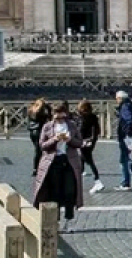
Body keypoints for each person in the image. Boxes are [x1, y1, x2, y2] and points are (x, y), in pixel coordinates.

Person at [32, 101, 84, 229]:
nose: (60, 119)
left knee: (70, 191)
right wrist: (54, 139)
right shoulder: (47, 127)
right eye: (57, 116)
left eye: (62, 116)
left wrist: (69, 140)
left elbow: (79, 142)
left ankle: (69, 219)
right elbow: (42, 145)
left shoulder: (71, 126)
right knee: (54, 192)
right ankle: (56, 221)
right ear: (53, 115)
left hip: (69, 161)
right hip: (53, 162)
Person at [114, 91, 132, 191]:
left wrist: (127, 133)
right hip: (129, 135)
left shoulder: (125, 107)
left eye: (116, 98)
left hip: (125, 136)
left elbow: (129, 119)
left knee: (123, 159)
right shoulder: (130, 105)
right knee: (125, 158)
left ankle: (125, 183)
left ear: (120, 98)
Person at [77, 99, 103, 194]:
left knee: (89, 160)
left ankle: (97, 181)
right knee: (82, 159)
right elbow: (97, 129)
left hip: (84, 141)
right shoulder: (93, 116)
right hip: (91, 141)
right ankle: (78, 178)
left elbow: (81, 130)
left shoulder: (83, 117)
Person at [27, 98, 52, 177]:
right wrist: (48, 107)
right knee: (40, 151)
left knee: (37, 150)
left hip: (32, 132)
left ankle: (36, 168)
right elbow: (50, 117)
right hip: (39, 132)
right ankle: (39, 168)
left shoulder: (30, 111)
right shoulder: (41, 113)